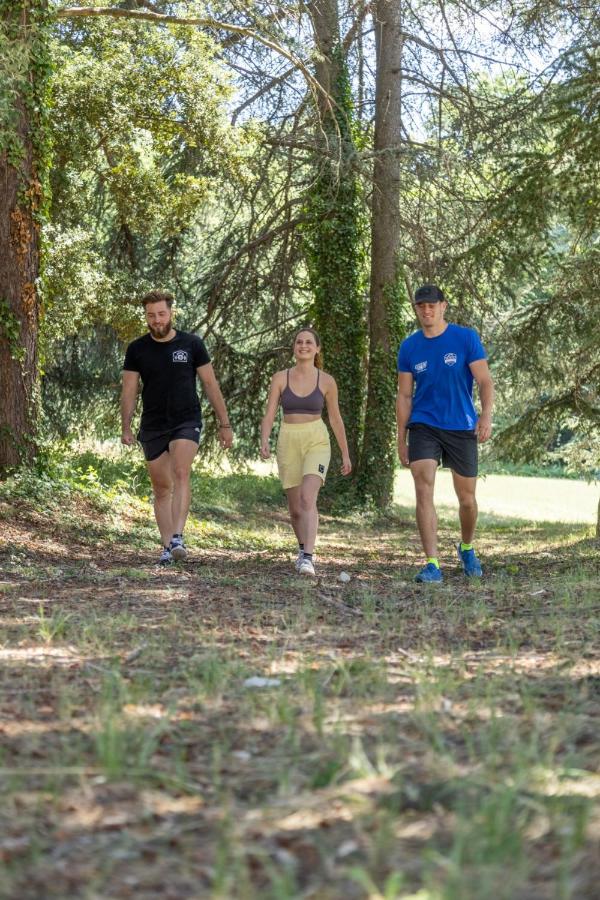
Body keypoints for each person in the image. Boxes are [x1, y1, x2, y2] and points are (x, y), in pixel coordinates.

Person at [121, 290, 233, 566]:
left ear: (171, 313)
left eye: (161, 314)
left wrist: (225, 423)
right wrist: (126, 426)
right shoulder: (137, 349)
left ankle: (178, 538)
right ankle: (166, 547)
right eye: (151, 315)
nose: (157, 320)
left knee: (181, 472)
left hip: (186, 420)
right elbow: (129, 390)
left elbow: (210, 384)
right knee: (162, 488)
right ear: (146, 317)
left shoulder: (192, 344)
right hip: (153, 424)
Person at [396, 284, 494, 583]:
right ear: (416, 309)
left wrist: (485, 415)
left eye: (432, 305)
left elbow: (485, 381)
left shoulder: (465, 338)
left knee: (467, 499)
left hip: (461, 425)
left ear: (443, 306)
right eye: (421, 306)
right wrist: (401, 438)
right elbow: (404, 396)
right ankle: (432, 564)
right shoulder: (409, 347)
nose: (426, 310)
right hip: (423, 424)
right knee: (423, 486)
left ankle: (466, 547)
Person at [260, 327, 352, 576]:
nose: (303, 346)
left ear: (317, 348)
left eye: (309, 342)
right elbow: (270, 413)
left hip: (316, 440)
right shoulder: (280, 378)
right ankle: (302, 550)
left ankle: (308, 558)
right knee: (295, 508)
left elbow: (335, 419)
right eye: (299, 342)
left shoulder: (327, 381)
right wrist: (264, 439)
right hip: (288, 439)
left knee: (307, 498)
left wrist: (345, 453)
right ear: (294, 347)